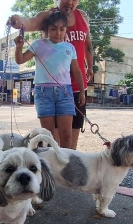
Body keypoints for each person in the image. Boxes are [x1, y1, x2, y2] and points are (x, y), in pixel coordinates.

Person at [9, 0, 92, 150]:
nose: (70, 2)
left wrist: (90, 67)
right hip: (50, 88)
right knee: (51, 138)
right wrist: (18, 21)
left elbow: (88, 44)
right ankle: (52, 172)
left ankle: (67, 170)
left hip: (75, 87)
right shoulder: (48, 17)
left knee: (71, 135)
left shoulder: (82, 17)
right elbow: (30, 22)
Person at [14, 11, 85, 149]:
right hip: (43, 94)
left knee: (66, 135)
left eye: (62, 29)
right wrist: (18, 47)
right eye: (53, 29)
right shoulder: (38, 44)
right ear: (47, 29)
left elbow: (77, 71)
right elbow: (20, 59)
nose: (58, 33)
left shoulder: (70, 48)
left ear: (66, 30)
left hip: (65, 94)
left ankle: (64, 167)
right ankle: (50, 167)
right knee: (48, 136)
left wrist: (82, 92)